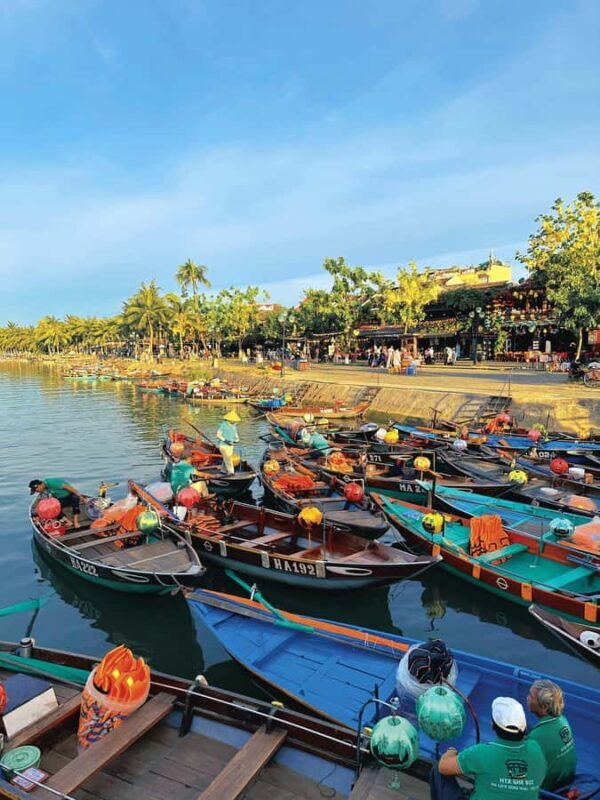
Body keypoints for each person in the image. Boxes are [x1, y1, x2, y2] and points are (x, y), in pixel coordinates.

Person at [431, 697, 546, 800]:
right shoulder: (536, 749)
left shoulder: (481, 753)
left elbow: (443, 767)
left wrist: (451, 751)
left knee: (437, 771)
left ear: (492, 726)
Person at [527, 679, 576, 792]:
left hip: (547, 788)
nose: (527, 698)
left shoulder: (536, 737)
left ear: (544, 706)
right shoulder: (563, 720)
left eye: (531, 696)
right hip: (567, 780)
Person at [216, 410, 240, 475]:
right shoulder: (223, 425)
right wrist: (225, 440)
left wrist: (237, 439)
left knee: (226, 458)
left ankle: (223, 470)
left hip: (231, 445)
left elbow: (235, 434)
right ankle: (231, 472)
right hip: (223, 445)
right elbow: (218, 435)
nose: (234, 421)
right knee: (228, 459)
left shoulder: (234, 426)